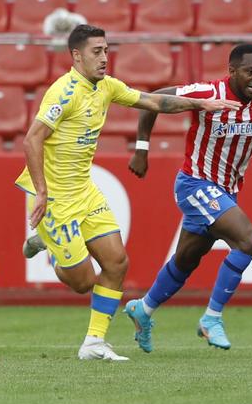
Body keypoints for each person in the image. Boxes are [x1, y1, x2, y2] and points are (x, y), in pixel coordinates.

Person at [17, 24, 239, 361]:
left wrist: (199, 104)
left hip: (85, 192)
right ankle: (48, 246)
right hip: (56, 197)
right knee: (82, 282)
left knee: (117, 262)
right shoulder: (63, 92)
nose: (105, 58)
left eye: (106, 50)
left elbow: (152, 101)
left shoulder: (106, 87)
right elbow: (32, 139)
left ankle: (93, 343)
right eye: (96, 51)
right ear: (76, 56)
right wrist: (43, 191)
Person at [121, 43, 252, 352]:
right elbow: (151, 102)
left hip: (225, 190)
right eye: (250, 71)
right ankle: (211, 319)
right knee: (248, 240)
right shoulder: (207, 93)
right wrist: (142, 150)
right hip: (195, 184)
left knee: (186, 259)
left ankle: (143, 309)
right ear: (232, 71)